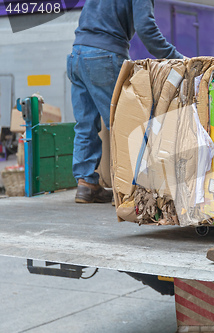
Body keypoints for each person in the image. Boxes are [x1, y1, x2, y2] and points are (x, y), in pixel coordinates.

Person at [67, 0, 183, 203]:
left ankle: (86, 184)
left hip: (77, 55)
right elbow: (146, 28)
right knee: (124, 123)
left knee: (85, 124)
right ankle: (127, 189)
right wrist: (177, 59)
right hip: (103, 56)